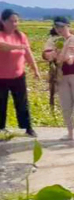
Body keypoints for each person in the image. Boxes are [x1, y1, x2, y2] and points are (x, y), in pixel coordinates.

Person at [43, 17, 74, 141]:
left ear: (68, 26)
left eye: (62, 27)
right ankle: (70, 132)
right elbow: (45, 54)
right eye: (57, 27)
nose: (59, 29)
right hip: (60, 75)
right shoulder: (52, 41)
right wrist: (51, 55)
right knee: (66, 104)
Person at [0, 9, 39, 137]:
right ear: (3, 21)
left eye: (16, 21)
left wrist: (35, 69)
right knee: (1, 104)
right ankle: (1, 128)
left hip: (18, 76)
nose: (14, 24)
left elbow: (28, 54)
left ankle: (27, 127)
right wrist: (17, 47)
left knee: (22, 103)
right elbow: (2, 46)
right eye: (11, 21)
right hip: (1, 77)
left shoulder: (21, 36)